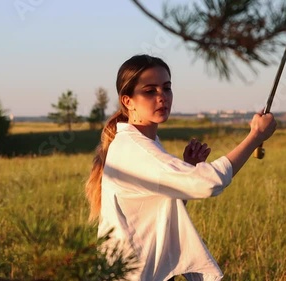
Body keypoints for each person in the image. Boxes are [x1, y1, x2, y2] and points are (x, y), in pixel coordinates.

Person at [85, 54, 276, 281]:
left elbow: (160, 209)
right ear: (128, 101)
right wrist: (255, 136)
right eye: (150, 91)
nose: (161, 97)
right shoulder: (135, 148)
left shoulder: (145, 143)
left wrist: (187, 169)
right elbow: (209, 183)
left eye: (166, 88)